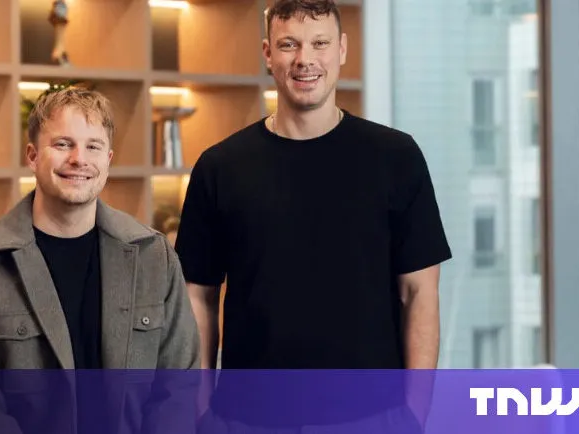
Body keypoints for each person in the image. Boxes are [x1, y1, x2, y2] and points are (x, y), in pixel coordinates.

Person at [174, 0, 452, 432]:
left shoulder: (396, 158)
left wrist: (413, 415)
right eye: (289, 45)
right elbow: (198, 298)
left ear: (341, 49)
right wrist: (200, 410)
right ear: (268, 53)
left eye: (319, 43)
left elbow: (419, 293)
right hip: (247, 418)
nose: (305, 60)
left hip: (371, 418)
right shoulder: (220, 167)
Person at [0, 86, 200, 434]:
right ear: (32, 156)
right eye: (62, 144)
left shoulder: (155, 258)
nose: (79, 159)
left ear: (108, 160)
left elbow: (178, 391)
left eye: (93, 146)